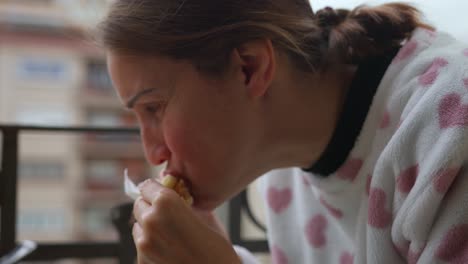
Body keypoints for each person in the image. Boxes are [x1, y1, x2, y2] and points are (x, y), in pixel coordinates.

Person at [98, 0, 468, 263]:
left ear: (249, 67)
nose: (153, 153)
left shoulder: (448, 128)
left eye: (154, 108)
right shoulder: (282, 171)